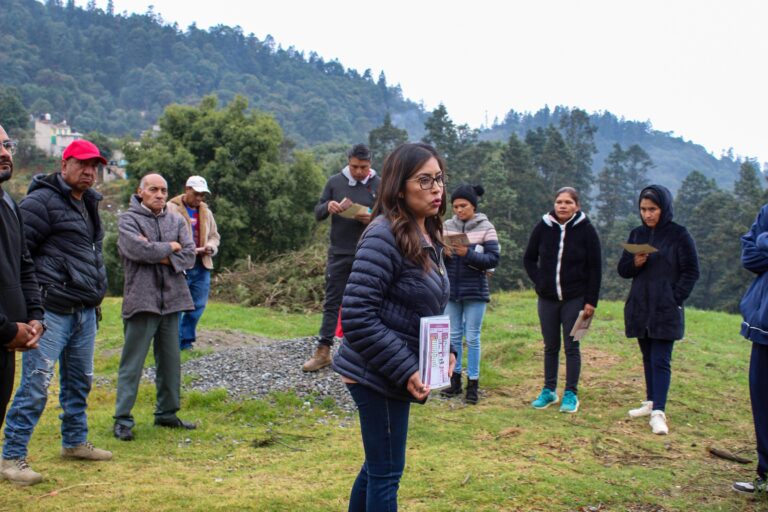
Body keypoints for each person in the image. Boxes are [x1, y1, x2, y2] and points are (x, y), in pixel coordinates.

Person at [332, 142, 456, 511]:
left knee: (377, 468)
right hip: (376, 373)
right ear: (399, 187)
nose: (436, 188)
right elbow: (357, 315)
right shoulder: (383, 234)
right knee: (386, 474)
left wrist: (447, 351)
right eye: (424, 180)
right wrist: (406, 369)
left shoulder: (427, 232)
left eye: (439, 179)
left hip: (393, 368)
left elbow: (427, 303)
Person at [2, 139, 111, 486]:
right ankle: (12, 457)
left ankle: (75, 442)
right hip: (52, 310)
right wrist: (33, 304)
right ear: (64, 165)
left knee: (80, 381)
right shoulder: (40, 202)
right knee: (36, 384)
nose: (89, 171)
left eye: (94, 166)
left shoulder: (89, 202)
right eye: (82, 164)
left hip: (85, 309)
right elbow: (19, 256)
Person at [113, 173, 196, 441]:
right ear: (141, 192)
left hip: (172, 301)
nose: (159, 194)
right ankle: (122, 419)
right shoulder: (128, 220)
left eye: (163, 190)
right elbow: (138, 251)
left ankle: (167, 414)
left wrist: (156, 251)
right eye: (153, 189)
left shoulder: (176, 219)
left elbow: (189, 255)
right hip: (141, 300)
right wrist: (170, 247)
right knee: (132, 364)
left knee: (171, 362)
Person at [618, 184, 699, 435]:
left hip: (665, 309)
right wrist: (635, 262)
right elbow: (623, 270)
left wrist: (674, 297)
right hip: (640, 307)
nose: (647, 214)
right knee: (647, 357)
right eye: (643, 209)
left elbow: (691, 271)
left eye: (652, 209)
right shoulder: (636, 234)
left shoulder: (679, 235)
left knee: (661, 360)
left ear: (664, 208)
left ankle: (659, 412)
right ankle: (651, 401)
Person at [303, 143, 380, 372]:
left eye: (363, 167)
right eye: (354, 166)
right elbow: (317, 213)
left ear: (370, 164)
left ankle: (365, 353)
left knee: (368, 303)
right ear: (348, 162)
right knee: (332, 302)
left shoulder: (379, 184)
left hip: (370, 252)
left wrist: (372, 217)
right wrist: (328, 206)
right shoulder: (334, 182)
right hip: (339, 252)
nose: (359, 171)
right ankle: (323, 351)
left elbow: (391, 216)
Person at [524, 187, 602, 414]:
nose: (563, 206)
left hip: (576, 299)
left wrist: (591, 301)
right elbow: (529, 259)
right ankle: (549, 390)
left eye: (568, 202)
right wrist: (540, 281)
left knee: (572, 346)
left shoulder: (587, 230)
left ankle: (571, 393)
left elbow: (595, 268)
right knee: (550, 346)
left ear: (577, 206)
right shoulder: (543, 227)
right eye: (559, 202)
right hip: (547, 300)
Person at [0, 126, 44, 430]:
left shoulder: (8, 203)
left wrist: (34, 316)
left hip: (6, 346)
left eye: (6, 145)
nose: (4, 153)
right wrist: (5, 330)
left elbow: (24, 265)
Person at [441, 184, 500, 404]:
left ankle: (473, 383)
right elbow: (435, 255)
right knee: (454, 336)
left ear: (473, 206)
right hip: (451, 291)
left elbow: (493, 259)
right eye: (455, 206)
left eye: (463, 206)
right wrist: (444, 252)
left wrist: (468, 254)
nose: (459, 210)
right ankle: (454, 380)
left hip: (475, 290)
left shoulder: (486, 227)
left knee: (473, 337)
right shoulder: (446, 226)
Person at [733, 203, 768, 496]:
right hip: (764, 326)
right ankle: (765, 474)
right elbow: (750, 256)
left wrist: (764, 240)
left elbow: (759, 245)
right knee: (763, 402)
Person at [168, 176, 220, 351]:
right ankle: (172, 343)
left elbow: (214, 236)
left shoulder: (206, 211)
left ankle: (186, 341)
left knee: (198, 305)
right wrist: (190, 250)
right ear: (187, 189)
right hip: (180, 265)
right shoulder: (171, 208)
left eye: (202, 195)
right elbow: (166, 236)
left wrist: (211, 247)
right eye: (196, 193)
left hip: (202, 265)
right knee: (176, 306)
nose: (199, 198)